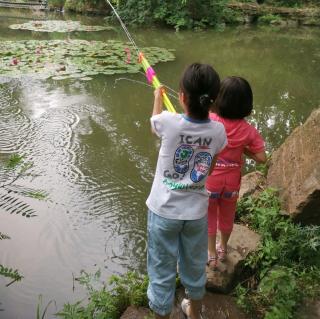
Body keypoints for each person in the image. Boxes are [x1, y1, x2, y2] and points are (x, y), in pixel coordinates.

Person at [146, 63, 227, 319]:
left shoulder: (168, 122)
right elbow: (210, 167)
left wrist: (158, 98)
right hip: (195, 214)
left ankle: (161, 313)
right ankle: (194, 313)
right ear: (213, 103)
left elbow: (153, 124)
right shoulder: (218, 131)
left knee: (161, 268)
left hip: (164, 212)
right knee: (193, 265)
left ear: (181, 96)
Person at [206, 76, 267, 269]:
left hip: (211, 180)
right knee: (227, 216)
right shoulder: (248, 131)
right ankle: (223, 248)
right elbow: (261, 158)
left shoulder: (211, 120)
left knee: (209, 216)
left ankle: (211, 253)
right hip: (231, 183)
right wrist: (242, 148)